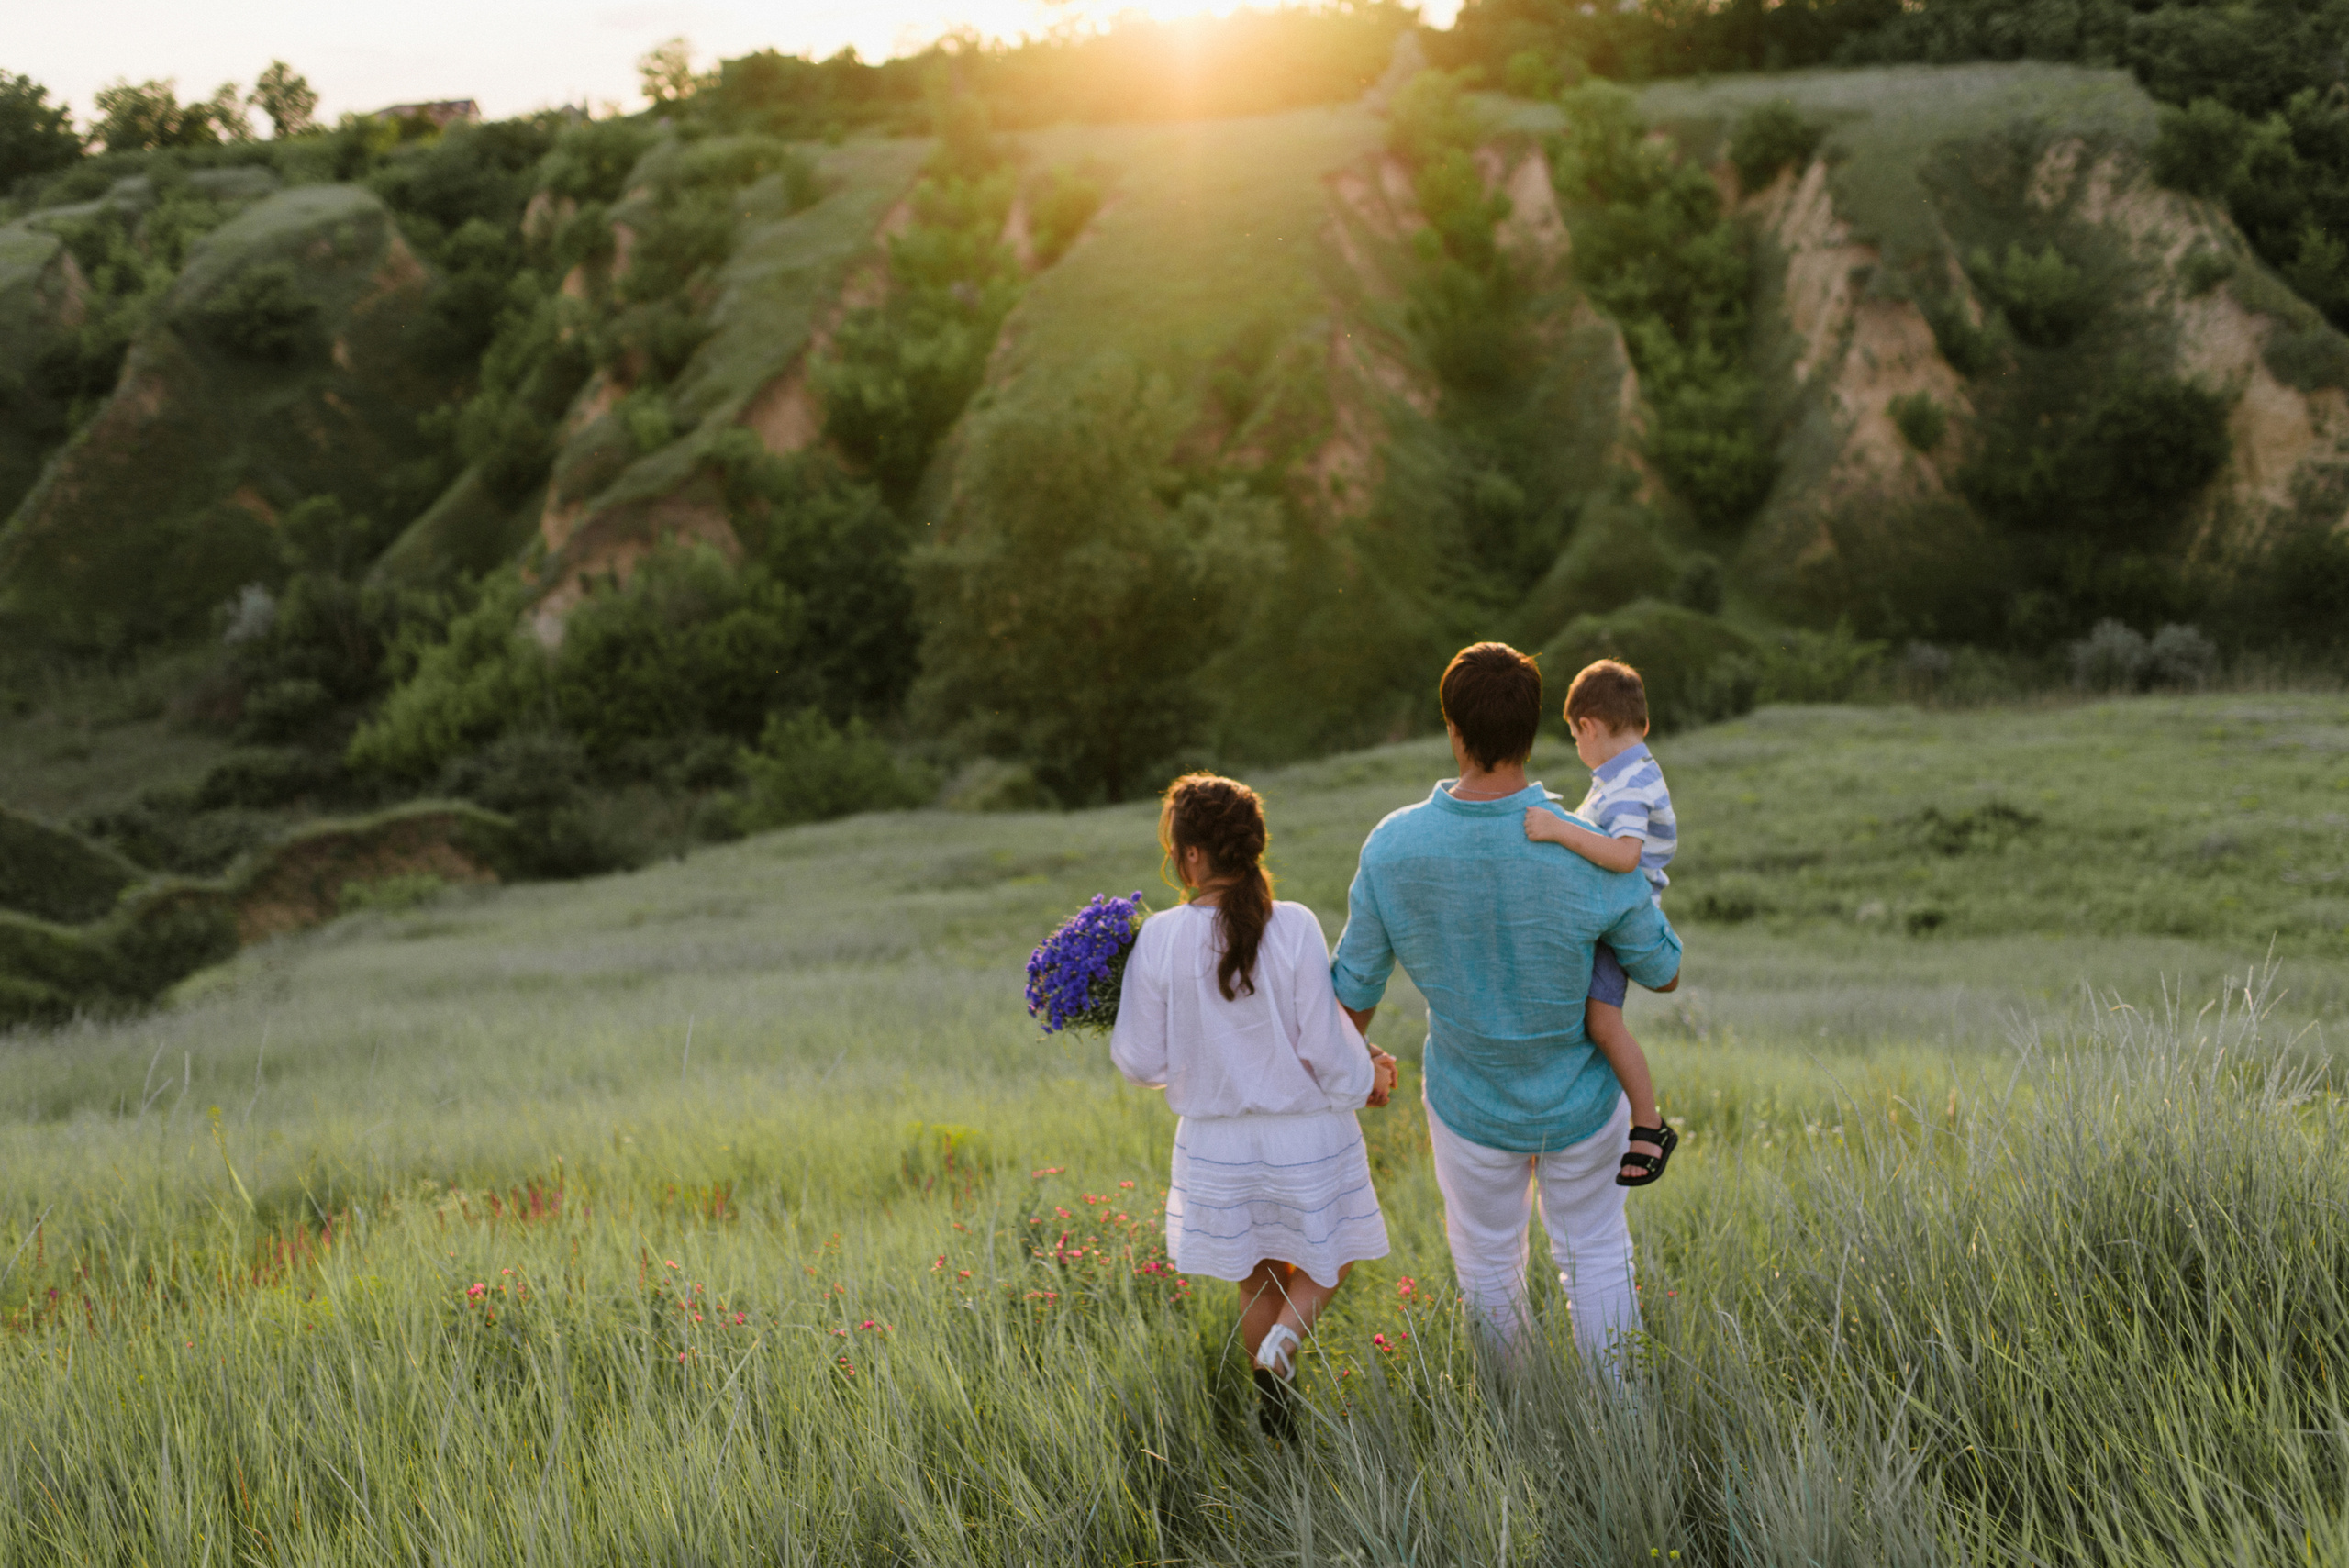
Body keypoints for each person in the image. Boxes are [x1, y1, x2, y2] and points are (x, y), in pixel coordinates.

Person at [1330, 643, 1682, 1373]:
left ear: (1454, 731)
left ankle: (1516, 1424)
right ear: (1532, 734)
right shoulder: (1585, 847)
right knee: (1596, 1253)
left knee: (1487, 1264)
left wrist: (1345, 1065)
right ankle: (1624, 1431)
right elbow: (1664, 970)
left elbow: (1352, 992)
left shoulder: (1392, 847)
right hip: (1582, 1102)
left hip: (1469, 1105)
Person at [1111, 773, 1401, 1437]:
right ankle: (1284, 1346)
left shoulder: (1157, 939)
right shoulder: (1293, 923)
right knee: (1335, 1252)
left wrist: (1192, 1059)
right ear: (1253, 847)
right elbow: (1325, 1047)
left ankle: (1275, 1411)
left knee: (1258, 1279)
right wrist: (1370, 1080)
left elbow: (1137, 1061)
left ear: (1190, 856)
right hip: (1307, 1134)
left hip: (1216, 1145)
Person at [1521, 659, 1680, 1185]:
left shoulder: (1630, 782)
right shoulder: (1625, 774)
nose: (1576, 746)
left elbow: (1624, 856)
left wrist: (1557, 830)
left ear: (1588, 726)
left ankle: (1649, 1123)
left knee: (1602, 1022)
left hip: (1619, 924)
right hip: (1606, 915)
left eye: (1573, 736)